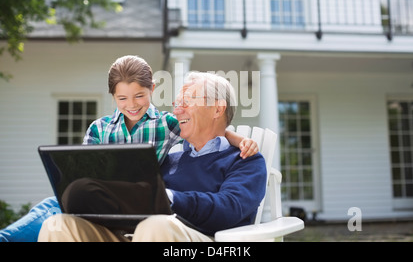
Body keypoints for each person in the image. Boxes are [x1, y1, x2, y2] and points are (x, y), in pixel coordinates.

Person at [0, 56, 258, 242]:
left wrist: (169, 198)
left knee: (155, 226)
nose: (177, 109)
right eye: (177, 103)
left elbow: (230, 207)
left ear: (217, 108)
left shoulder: (243, 159)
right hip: (129, 230)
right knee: (58, 223)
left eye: (187, 102)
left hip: (188, 237)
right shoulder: (170, 154)